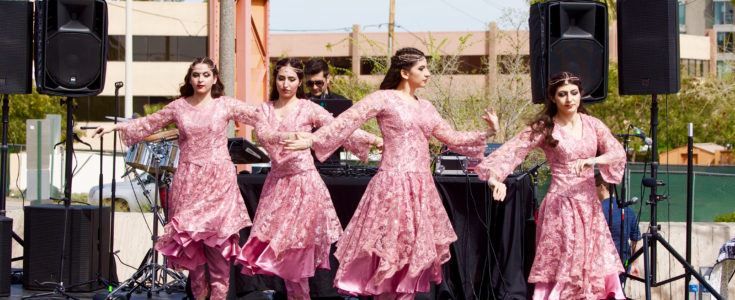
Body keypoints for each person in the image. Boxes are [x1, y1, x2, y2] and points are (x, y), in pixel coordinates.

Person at [285, 47, 499, 299]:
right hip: (392, 188)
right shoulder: (384, 98)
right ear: (404, 72)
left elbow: (452, 138)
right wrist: (312, 140)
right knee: (389, 260)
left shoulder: (427, 107)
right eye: (422, 68)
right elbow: (346, 122)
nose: (428, 73)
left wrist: (487, 133)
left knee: (409, 263)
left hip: (420, 191)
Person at [93, 57, 258, 300]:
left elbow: (259, 115)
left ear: (215, 79)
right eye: (195, 75)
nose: (200, 79)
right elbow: (149, 122)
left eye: (205, 75)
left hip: (219, 181)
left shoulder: (225, 105)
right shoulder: (179, 107)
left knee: (219, 250)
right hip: (188, 179)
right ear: (189, 79)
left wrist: (294, 120)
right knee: (194, 254)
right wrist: (115, 128)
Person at [236, 57, 382, 300]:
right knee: (281, 255)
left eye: (291, 79)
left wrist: (373, 140)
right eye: (281, 78)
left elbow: (339, 127)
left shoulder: (308, 108)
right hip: (277, 187)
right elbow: (264, 134)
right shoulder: (265, 110)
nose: (285, 84)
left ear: (299, 81)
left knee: (298, 255)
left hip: (305, 185)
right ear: (275, 79)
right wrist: (293, 136)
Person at [475, 72, 628, 300]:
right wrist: (495, 178)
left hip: (589, 206)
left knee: (592, 262)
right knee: (566, 261)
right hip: (560, 206)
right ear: (553, 98)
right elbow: (513, 151)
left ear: (581, 94)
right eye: (563, 94)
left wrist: (593, 160)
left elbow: (617, 152)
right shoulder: (546, 127)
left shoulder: (593, 124)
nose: (569, 99)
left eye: (574, 93)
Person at [595, 171, 641, 283]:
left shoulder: (596, 211)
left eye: (593, 187)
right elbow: (636, 241)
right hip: (623, 265)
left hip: (600, 267)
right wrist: (634, 264)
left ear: (601, 187)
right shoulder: (628, 211)